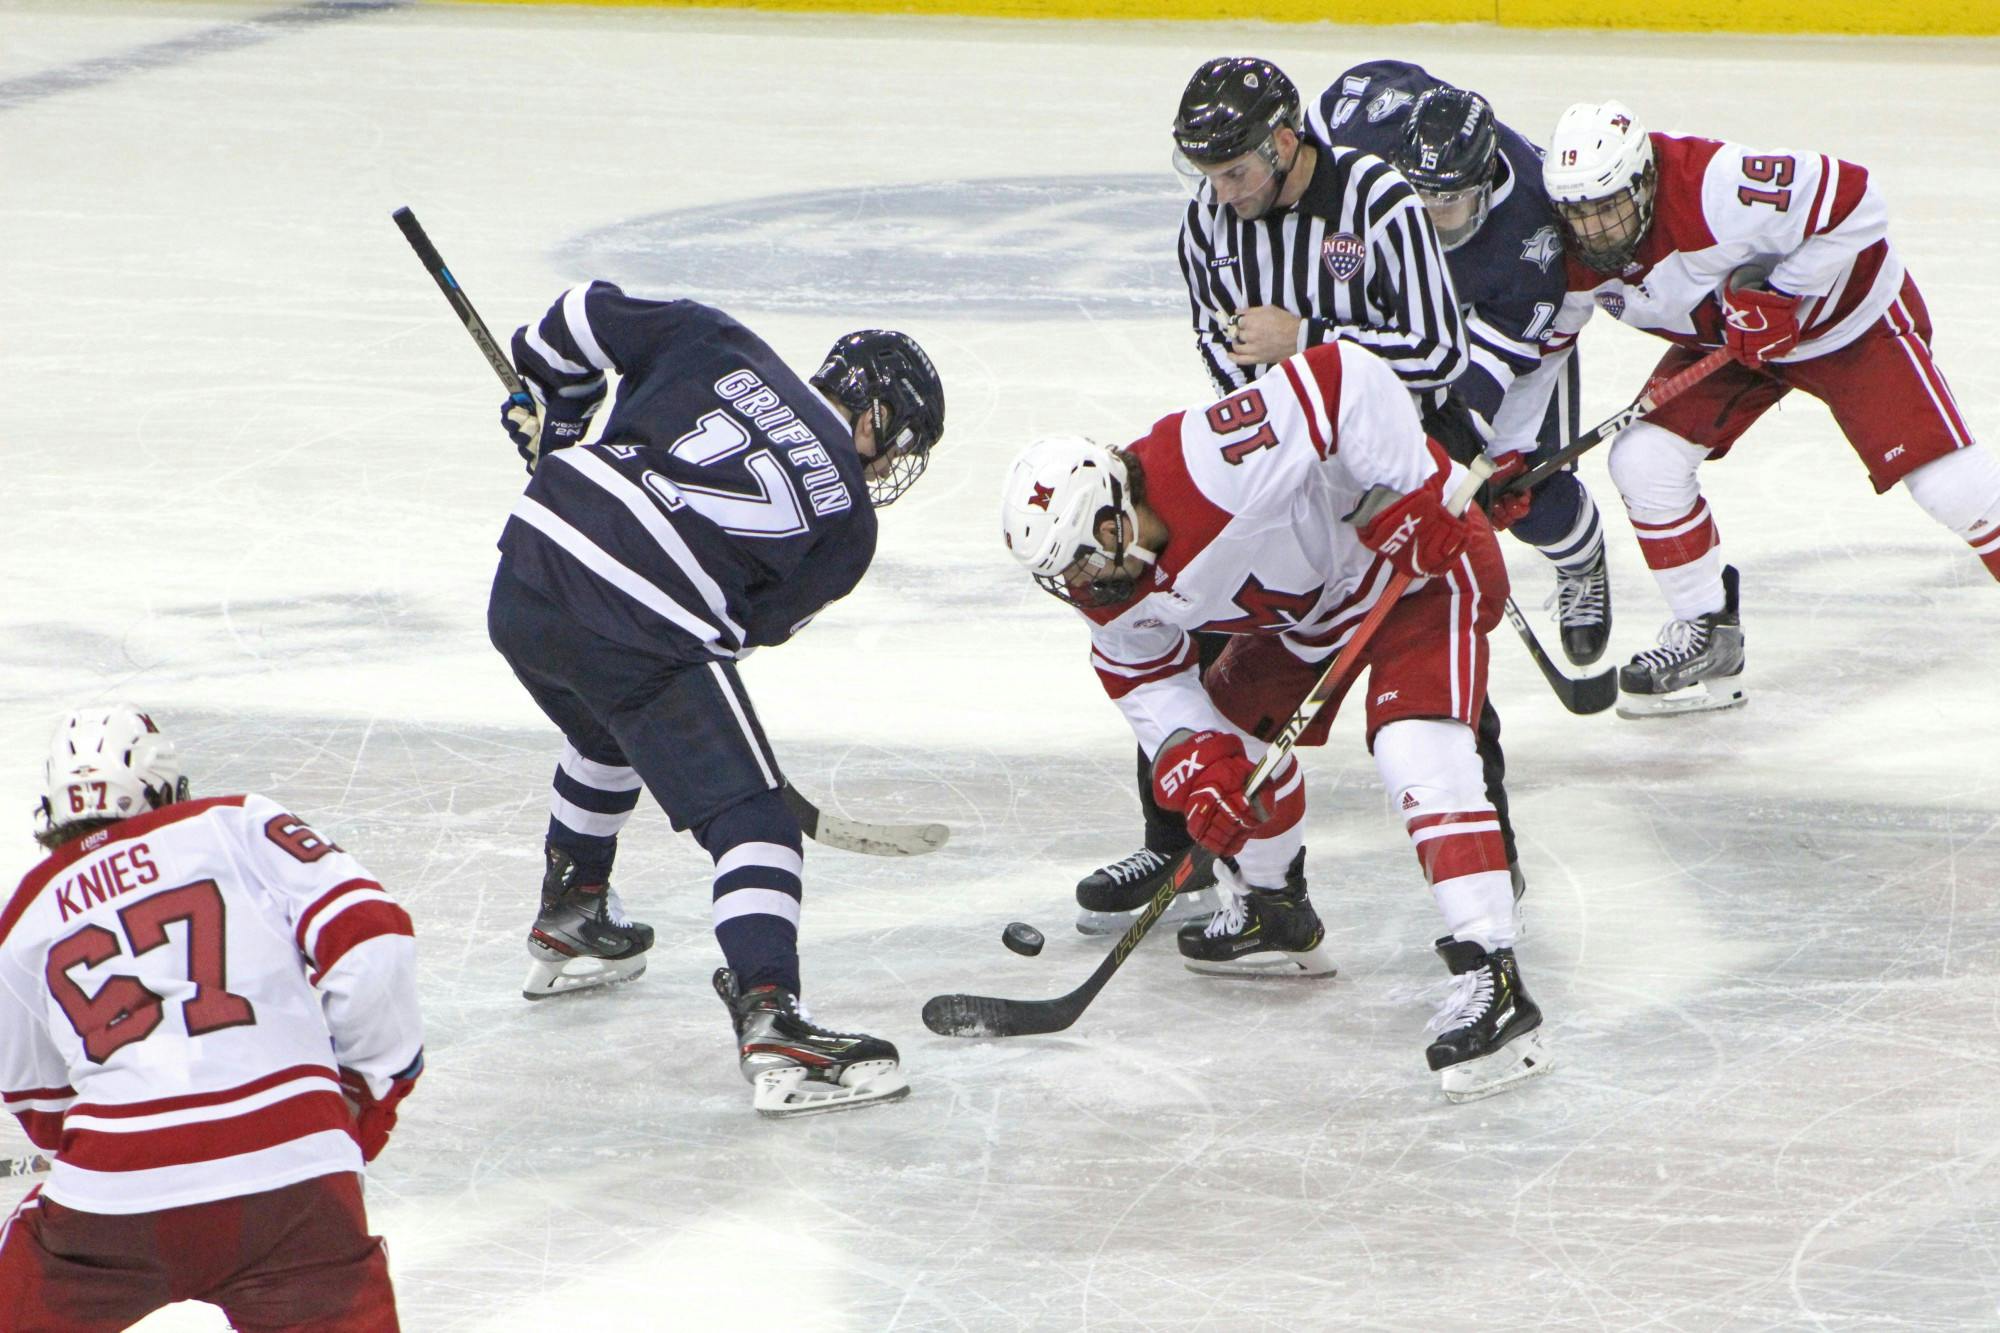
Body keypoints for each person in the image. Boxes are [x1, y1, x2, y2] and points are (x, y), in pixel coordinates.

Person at [1000, 338, 1551, 1103]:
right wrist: (1197, 767)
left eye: (1083, 561)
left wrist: (1413, 491)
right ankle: (1272, 907)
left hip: (1419, 567)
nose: (1081, 585)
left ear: (1112, 514)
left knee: (1412, 746)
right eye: (1063, 576)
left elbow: (1343, 376)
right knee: (1233, 753)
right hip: (1310, 617)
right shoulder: (1117, 591)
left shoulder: (1206, 462)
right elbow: (1141, 676)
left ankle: (1494, 973)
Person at [1075, 54, 1519, 937]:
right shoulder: (1208, 226)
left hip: (1392, 469)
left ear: (1285, 143)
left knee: (1431, 663)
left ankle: (1492, 861)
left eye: (1235, 171)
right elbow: (1224, 367)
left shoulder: (1378, 201)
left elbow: (1439, 355)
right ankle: (1180, 843)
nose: (1222, 191)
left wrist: (1311, 337)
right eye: (1207, 174)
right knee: (1186, 633)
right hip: (1282, 477)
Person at [488, 279, 943, 1117]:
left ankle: (575, 904)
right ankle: (775, 1018)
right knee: (754, 820)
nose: (884, 465)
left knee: (613, 721)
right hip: (638, 618)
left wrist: (557, 424)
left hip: (526, 574)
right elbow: (745, 625)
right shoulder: (851, 527)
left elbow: (576, 316)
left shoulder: (717, 340)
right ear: (875, 416)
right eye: (897, 444)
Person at [1542, 101, 2000, 716]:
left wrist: (1785, 293)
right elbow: (1542, 359)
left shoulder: (1713, 184)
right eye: (1578, 214)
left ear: (1645, 179)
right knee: (1644, 459)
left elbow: (1858, 198)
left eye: (1607, 206)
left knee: (1950, 487)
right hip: (1731, 343)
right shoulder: (1565, 250)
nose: (1593, 231)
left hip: (1844, 322)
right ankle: (1707, 636)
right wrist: (1512, 452)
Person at [0, 705, 421, 1330]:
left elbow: (40, 1101)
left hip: (114, 1196)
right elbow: (371, 939)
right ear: (169, 788)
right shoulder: (234, 823)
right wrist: (363, 1089)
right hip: (295, 1170)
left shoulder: (22, 917)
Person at [1317, 62, 1612, 669]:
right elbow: (1313, 143)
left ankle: (1581, 559)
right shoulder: (1365, 119)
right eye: (1414, 200)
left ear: (1482, 189)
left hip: (1510, 325)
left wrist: (1457, 462)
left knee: (1517, 482)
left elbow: (1491, 364)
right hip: (1400, 312)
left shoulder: (1534, 237)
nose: (1425, 221)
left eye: (1445, 208)